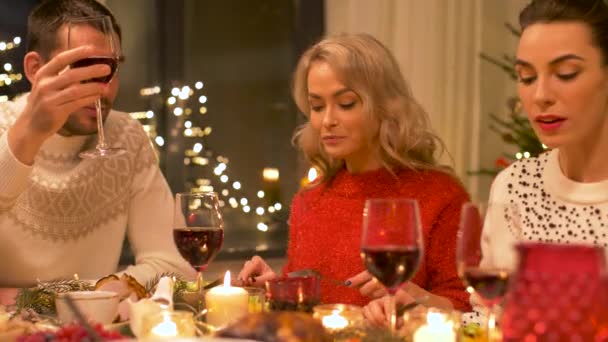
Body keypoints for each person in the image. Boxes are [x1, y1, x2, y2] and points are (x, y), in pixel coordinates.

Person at [237, 33, 471, 315]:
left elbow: (467, 308)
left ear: (385, 106)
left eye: (346, 104)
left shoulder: (440, 196)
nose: (327, 121)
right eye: (317, 106)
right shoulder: (310, 200)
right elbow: (314, 304)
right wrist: (276, 285)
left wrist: (414, 298)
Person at [0, 0, 195, 289]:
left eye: (110, 68)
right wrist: (28, 136)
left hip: (95, 329)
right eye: (82, 68)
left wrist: (103, 293)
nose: (102, 88)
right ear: (35, 69)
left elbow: (174, 265)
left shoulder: (126, 136)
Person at [463, 0, 608, 324]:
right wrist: (435, 315)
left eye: (566, 74)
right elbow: (491, 320)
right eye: (526, 77)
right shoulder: (515, 186)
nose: (541, 94)